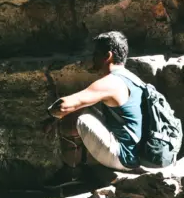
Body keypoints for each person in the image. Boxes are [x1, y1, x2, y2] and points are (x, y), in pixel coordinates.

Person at [42, 31, 143, 188]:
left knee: (76, 114)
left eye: (96, 54)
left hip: (126, 158)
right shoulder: (133, 79)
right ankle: (83, 167)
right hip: (141, 154)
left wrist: (49, 117)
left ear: (108, 56)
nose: (92, 58)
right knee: (84, 110)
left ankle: (72, 172)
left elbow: (64, 105)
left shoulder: (111, 82)